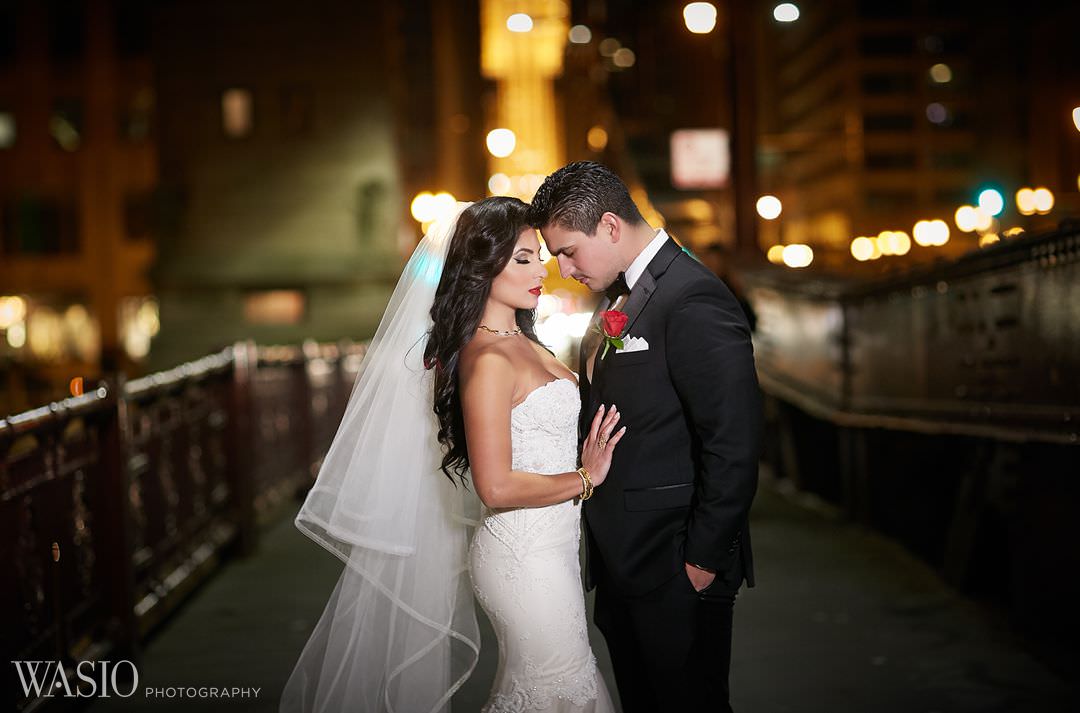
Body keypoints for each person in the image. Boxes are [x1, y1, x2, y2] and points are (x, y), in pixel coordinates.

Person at [280, 196, 622, 713]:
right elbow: (496, 486)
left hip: (553, 550)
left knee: (559, 683)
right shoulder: (486, 360)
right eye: (522, 259)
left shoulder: (526, 343)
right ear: (483, 268)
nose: (540, 272)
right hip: (521, 558)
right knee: (558, 686)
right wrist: (585, 477)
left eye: (540, 257)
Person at [528, 162, 762, 713]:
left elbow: (733, 442)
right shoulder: (619, 296)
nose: (562, 268)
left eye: (567, 251)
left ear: (610, 226)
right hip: (627, 563)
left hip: (675, 562)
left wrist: (700, 561)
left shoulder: (693, 298)